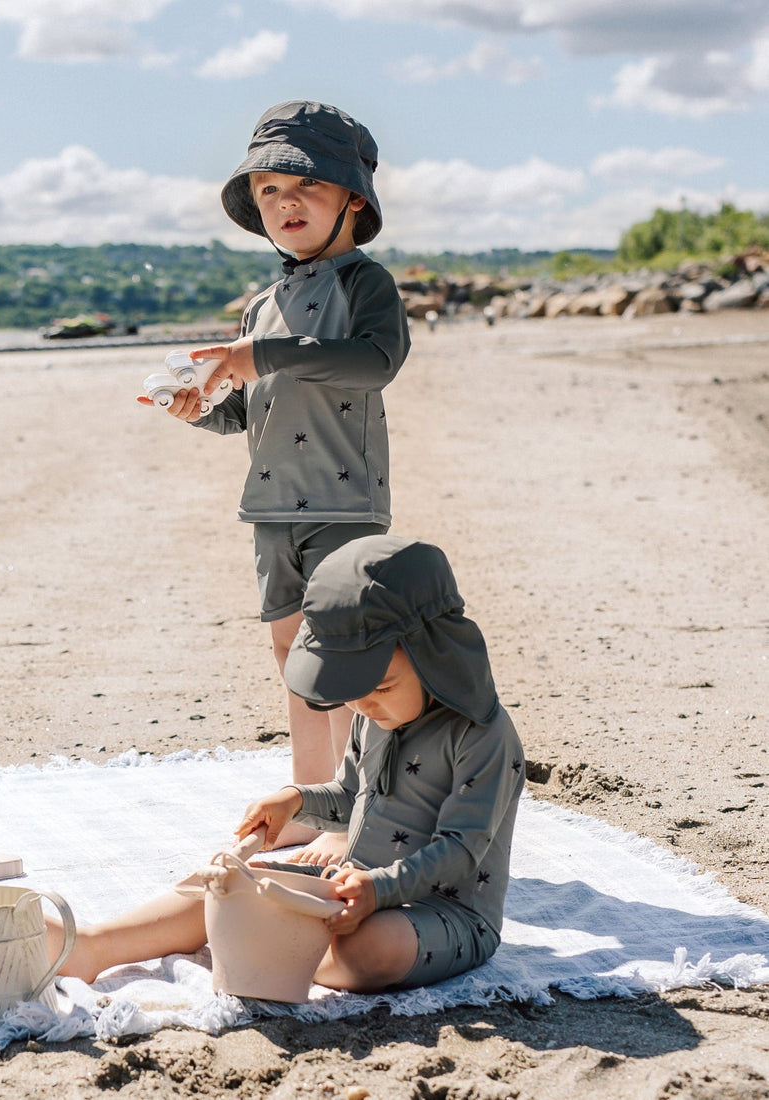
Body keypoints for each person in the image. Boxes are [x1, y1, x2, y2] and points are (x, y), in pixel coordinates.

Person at [48, 536, 525, 994]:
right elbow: (349, 796)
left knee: (370, 949)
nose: (361, 704)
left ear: (436, 656)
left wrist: (378, 892)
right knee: (224, 883)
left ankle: (268, 950)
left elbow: (461, 849)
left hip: (441, 912)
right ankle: (94, 946)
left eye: (379, 687)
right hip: (351, 886)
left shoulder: (483, 736)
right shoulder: (372, 716)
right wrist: (294, 801)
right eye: (351, 690)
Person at [139, 101, 410, 856]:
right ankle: (306, 798)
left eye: (306, 186)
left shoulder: (368, 284)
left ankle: (361, 811)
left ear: (353, 198)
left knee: (344, 652)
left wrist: (257, 355)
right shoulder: (262, 303)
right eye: (267, 191)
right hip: (268, 505)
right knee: (290, 650)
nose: (284, 203)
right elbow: (250, 415)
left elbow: (374, 364)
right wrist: (199, 406)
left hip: (342, 497)